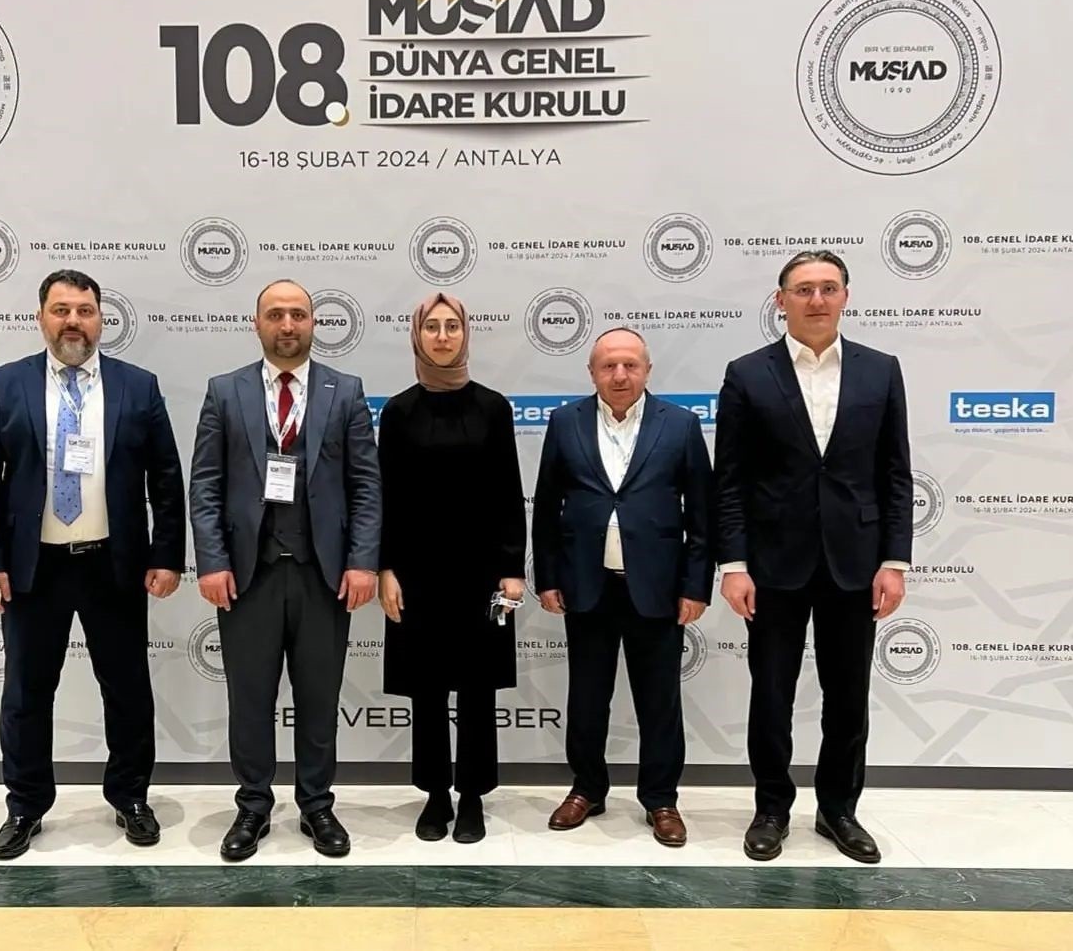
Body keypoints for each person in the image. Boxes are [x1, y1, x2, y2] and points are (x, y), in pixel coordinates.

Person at [0, 269, 186, 860]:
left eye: (84, 311)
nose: (73, 322)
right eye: (61, 310)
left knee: (128, 689)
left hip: (114, 564)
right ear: (41, 317)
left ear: (100, 319)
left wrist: (167, 555)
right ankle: (26, 805)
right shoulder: (7, 384)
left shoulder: (137, 386)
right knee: (27, 692)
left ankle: (131, 797)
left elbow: (167, 480)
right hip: (34, 569)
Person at [714, 249, 912, 864]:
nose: (817, 299)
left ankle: (838, 810)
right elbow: (730, 480)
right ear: (781, 301)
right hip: (773, 564)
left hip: (856, 563)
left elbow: (895, 473)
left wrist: (895, 561)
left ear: (846, 296)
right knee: (771, 694)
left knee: (848, 696)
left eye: (828, 287)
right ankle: (772, 808)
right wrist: (733, 564)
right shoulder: (747, 374)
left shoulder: (881, 371)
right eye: (803, 289)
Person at [190, 279, 381, 861]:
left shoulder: (345, 391)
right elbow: (205, 486)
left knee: (319, 698)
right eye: (276, 314)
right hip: (249, 577)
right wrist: (212, 562)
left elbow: (366, 486)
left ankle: (317, 805)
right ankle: (252, 806)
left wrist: (363, 562)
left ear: (313, 323)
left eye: (298, 314)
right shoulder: (225, 391)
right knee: (250, 699)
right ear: (258, 323)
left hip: (325, 577)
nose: (288, 325)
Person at [532, 327, 712, 846]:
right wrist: (548, 578)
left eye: (630, 365)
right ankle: (586, 788)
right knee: (588, 697)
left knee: (660, 701)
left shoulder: (680, 424)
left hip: (657, 588)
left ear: (647, 370)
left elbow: (702, 516)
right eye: (608, 365)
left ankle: (661, 799)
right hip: (586, 585)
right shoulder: (565, 422)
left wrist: (696, 586)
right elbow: (547, 507)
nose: (619, 375)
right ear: (591, 372)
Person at [377, 293, 525, 844]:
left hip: (481, 575)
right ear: (417, 336)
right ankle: (436, 794)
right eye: (432, 327)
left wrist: (512, 568)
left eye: (452, 326)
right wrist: (386, 568)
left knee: (478, 688)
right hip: (417, 574)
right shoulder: (398, 412)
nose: (442, 336)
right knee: (428, 688)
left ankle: (473, 797)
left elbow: (508, 491)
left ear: (466, 334)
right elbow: (386, 496)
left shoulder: (493, 407)